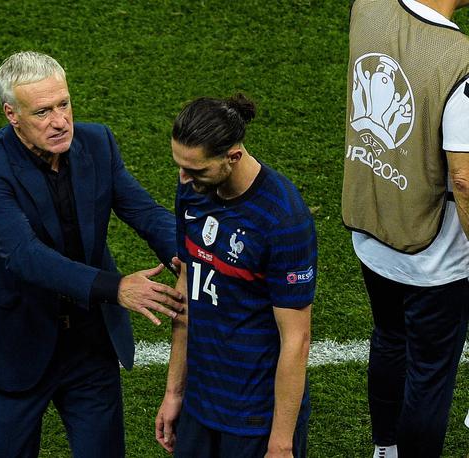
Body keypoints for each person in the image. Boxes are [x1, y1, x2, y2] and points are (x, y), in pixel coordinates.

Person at [0, 51, 184, 458]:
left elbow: (142, 211)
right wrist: (116, 287)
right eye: (42, 112)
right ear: (11, 114)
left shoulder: (97, 142)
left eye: (64, 104)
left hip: (90, 345)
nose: (59, 121)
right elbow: (24, 256)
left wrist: (190, 255)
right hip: (16, 343)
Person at [155, 93, 316, 458]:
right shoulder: (193, 190)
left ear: (233, 157)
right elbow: (187, 286)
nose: (183, 178)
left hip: (255, 419)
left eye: (195, 170)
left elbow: (297, 339)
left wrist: (280, 444)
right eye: (180, 165)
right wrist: (174, 392)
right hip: (199, 403)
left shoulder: (282, 219)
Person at [342, 1, 469, 456]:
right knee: (430, 375)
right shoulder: (460, 60)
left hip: (372, 231)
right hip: (435, 258)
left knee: (390, 339)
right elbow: (464, 180)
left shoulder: (368, 8)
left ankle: (384, 449)